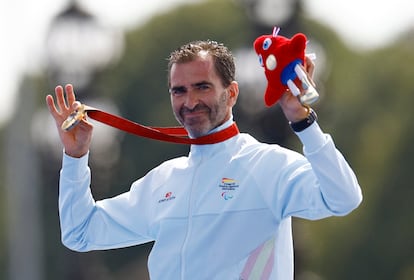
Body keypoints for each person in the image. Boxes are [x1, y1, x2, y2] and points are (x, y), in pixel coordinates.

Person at [46, 40, 362, 280]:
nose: (190, 101)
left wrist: (302, 121)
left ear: (232, 93)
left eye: (202, 87)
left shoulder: (268, 166)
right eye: (179, 91)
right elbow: (80, 232)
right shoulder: (164, 181)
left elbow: (344, 198)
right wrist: (75, 157)